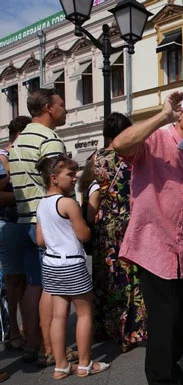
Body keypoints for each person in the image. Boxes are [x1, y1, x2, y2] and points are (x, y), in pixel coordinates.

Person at [111, 87, 183, 385]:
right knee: (162, 321)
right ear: (182, 112)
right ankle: (160, 380)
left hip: (182, 251)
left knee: (178, 319)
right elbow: (120, 144)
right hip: (153, 245)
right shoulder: (157, 137)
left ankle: (172, 371)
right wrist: (161, 115)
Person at [8, 89, 74, 366]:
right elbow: (56, 186)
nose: (65, 109)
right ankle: (48, 347)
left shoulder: (18, 140)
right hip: (45, 224)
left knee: (31, 285)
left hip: (23, 219)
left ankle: (32, 343)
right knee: (47, 288)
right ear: (48, 107)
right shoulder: (49, 139)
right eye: (61, 104)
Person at [35, 155, 110, 380]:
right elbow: (84, 234)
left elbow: (40, 240)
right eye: (70, 174)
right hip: (71, 263)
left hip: (51, 262)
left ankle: (60, 366)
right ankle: (85, 364)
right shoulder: (67, 203)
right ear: (54, 178)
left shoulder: (41, 204)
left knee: (59, 317)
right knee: (85, 313)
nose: (74, 177)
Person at [92, 112, 146, 353]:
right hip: (128, 222)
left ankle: (106, 328)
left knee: (107, 276)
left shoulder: (96, 158)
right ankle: (131, 331)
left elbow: (90, 188)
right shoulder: (130, 156)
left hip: (105, 224)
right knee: (130, 278)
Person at [0, 116, 30, 351]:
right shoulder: (3, 158)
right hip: (8, 223)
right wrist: (24, 196)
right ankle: (13, 330)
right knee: (13, 279)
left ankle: (27, 329)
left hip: (25, 221)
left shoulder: (22, 155)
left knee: (27, 279)